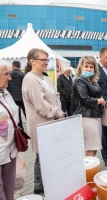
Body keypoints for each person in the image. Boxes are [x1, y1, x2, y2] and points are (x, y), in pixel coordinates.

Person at [22, 48, 65, 194]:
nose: (46, 62)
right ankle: (39, 188)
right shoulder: (30, 79)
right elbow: (41, 106)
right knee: (42, 156)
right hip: (40, 124)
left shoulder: (45, 78)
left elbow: (56, 97)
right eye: (43, 60)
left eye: (47, 60)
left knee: (48, 155)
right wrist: (58, 113)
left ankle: (47, 183)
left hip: (51, 122)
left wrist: (58, 111)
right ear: (32, 61)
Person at [0, 60, 19, 200]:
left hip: (10, 150)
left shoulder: (6, 92)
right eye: (6, 74)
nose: (10, 77)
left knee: (9, 190)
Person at [7, 61, 26, 129]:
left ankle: (20, 128)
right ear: (20, 66)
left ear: (12, 66)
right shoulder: (22, 74)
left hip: (13, 98)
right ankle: (30, 126)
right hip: (22, 97)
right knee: (26, 112)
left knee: (17, 114)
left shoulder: (9, 75)